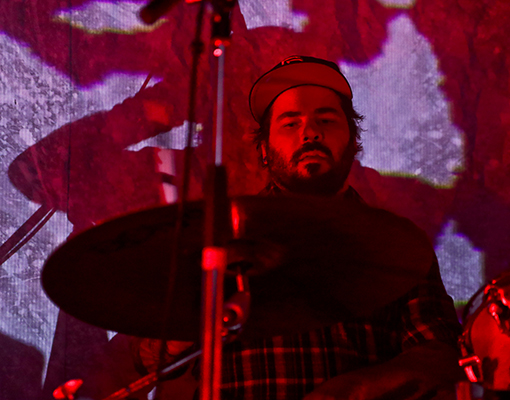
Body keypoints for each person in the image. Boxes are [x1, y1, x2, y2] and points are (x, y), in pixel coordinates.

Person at [79, 55, 464, 400]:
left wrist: (347, 392)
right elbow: (149, 357)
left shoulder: (396, 244)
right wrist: (187, 322)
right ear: (263, 150)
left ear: (353, 140)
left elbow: (441, 355)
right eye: (290, 123)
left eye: (326, 120)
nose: (310, 133)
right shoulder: (220, 237)